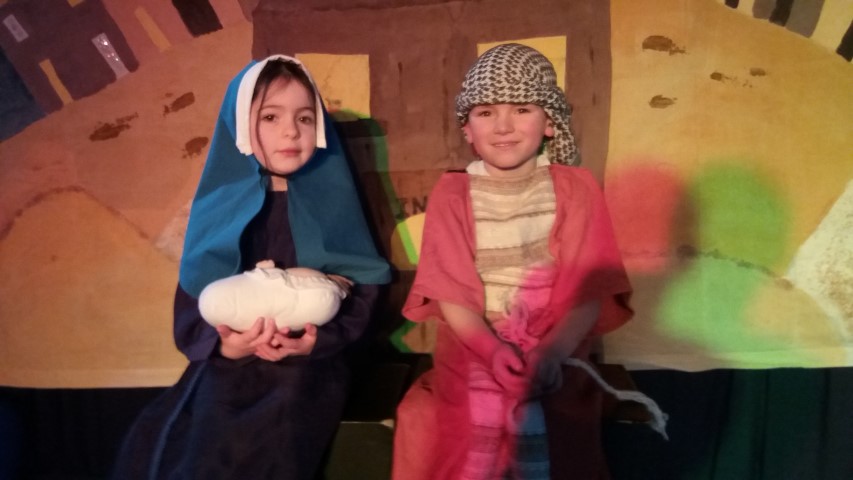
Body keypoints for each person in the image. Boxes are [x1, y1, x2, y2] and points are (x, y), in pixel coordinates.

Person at [112, 55, 390, 480]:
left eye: (304, 117)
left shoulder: (334, 203)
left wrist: (316, 342)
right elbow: (196, 299)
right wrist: (228, 346)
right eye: (270, 117)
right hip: (230, 364)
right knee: (175, 436)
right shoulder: (220, 209)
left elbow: (364, 287)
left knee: (276, 422)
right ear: (241, 126)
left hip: (308, 364)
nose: (290, 131)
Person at [392, 43, 634, 480]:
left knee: (556, 420)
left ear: (549, 122)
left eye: (521, 109)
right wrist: (492, 351)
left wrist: (550, 354)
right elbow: (451, 293)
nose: (503, 126)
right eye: (486, 112)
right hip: (473, 340)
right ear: (467, 129)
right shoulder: (452, 194)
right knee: (441, 420)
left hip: (556, 339)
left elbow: (588, 292)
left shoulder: (576, 189)